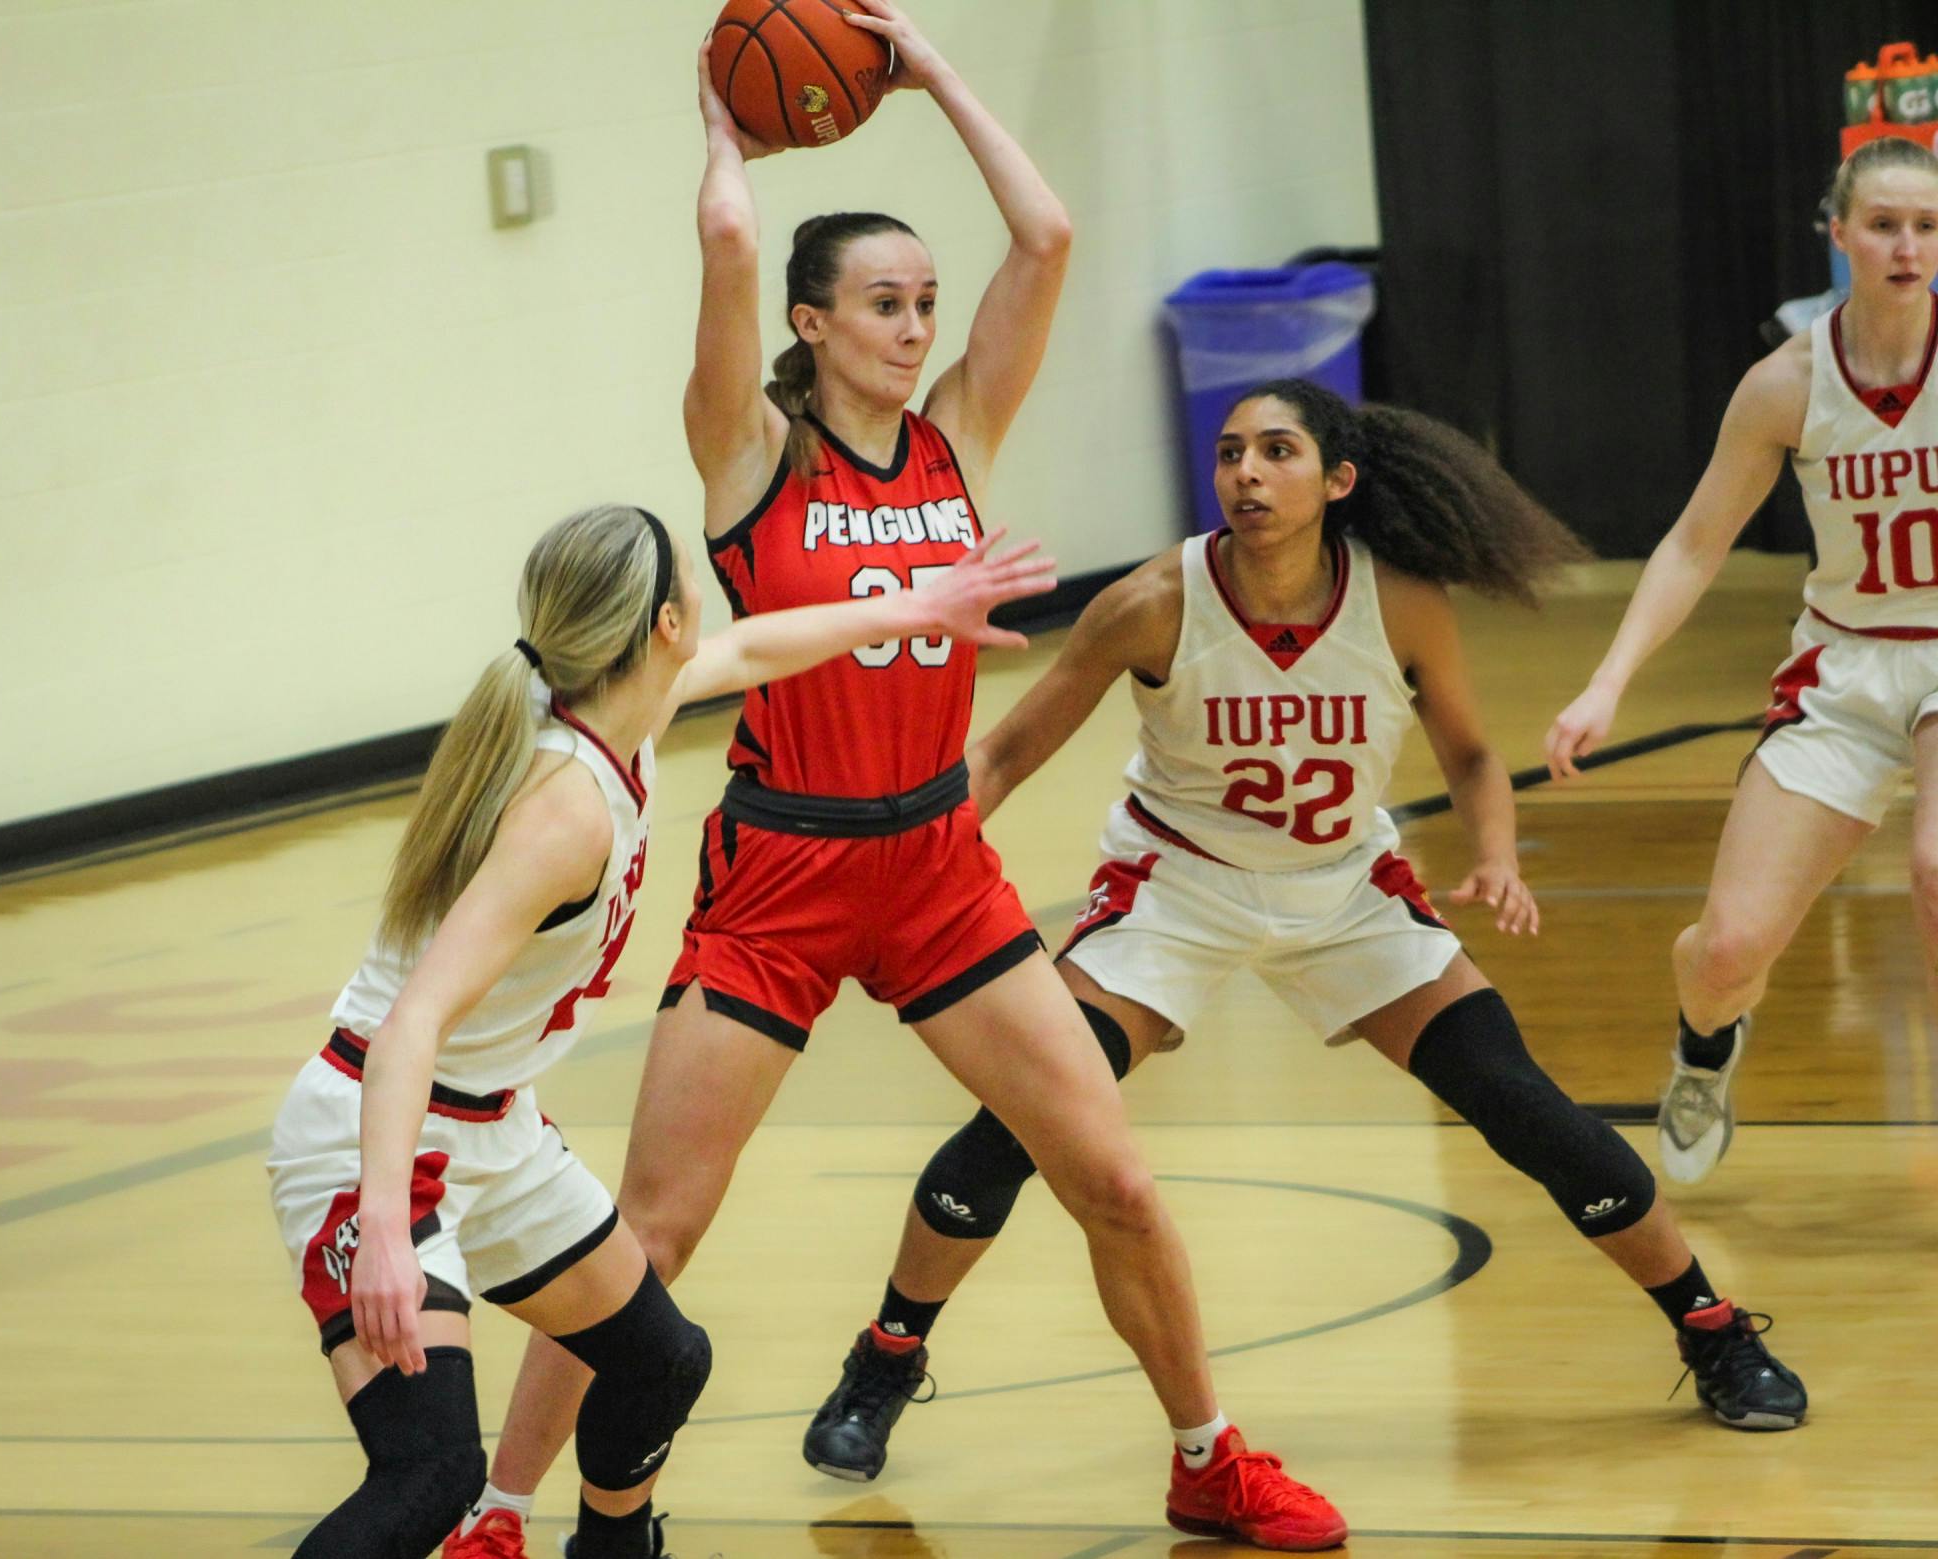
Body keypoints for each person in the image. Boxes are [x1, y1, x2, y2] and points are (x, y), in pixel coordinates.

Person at [447, 3, 1348, 1553]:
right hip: (783, 873)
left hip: (938, 867)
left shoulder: (958, 441)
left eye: (927, 301)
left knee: (1115, 1178)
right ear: (810, 322)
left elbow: (1048, 235)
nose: (917, 326)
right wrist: (725, 131)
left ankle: (1208, 1456)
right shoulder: (749, 454)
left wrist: (927, 70)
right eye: (884, 302)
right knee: (650, 1231)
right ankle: (499, 1509)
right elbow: (729, 243)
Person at [800, 378, 1811, 1510]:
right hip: (1175, 888)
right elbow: (1000, 753)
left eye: (1276, 451)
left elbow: (1473, 755)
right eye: (1229, 452)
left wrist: (1496, 853)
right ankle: (883, 1360)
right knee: (1019, 1126)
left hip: (1343, 890)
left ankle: (1712, 1328)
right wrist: (906, 862)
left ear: (1337, 481)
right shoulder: (1153, 601)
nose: (1244, 471)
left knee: (1521, 1104)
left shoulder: (1400, 600)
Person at [268, 501, 1052, 1559]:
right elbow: (412, 1022)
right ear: (664, 624)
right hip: (376, 1131)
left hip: (491, 1126)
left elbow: (759, 647)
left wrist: (923, 606)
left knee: (661, 1359)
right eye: (691, 578)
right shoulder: (565, 809)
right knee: (431, 1471)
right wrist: (383, 1231)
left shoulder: (617, 705)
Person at [1546, 136, 1938, 1184]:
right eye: (1883, 225)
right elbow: (1691, 544)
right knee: (1725, 951)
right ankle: (1704, 1046)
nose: (1906, 247)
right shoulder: (1786, 383)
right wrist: (1607, 681)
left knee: (1935, 868)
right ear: (1839, 233)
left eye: (1926, 226)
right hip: (1844, 666)